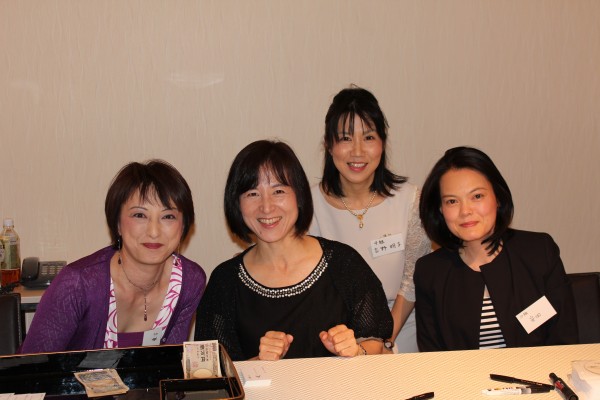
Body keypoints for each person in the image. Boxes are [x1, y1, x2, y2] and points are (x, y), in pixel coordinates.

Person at [195, 140, 392, 361]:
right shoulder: (225, 282)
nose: (266, 207)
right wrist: (258, 363)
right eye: (252, 193)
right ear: (236, 204)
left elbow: (376, 342)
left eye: (278, 191)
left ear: (299, 195)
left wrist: (356, 351)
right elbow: (211, 370)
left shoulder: (344, 263)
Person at [20, 160, 206, 353]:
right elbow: (32, 366)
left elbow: (169, 362)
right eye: (139, 215)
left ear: (184, 225)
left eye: (168, 217)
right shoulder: (77, 284)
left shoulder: (190, 281)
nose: (153, 232)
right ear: (117, 223)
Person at [415, 146, 579, 351]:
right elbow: (432, 356)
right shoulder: (430, 271)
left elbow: (564, 340)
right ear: (440, 209)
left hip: (540, 371)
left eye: (477, 196)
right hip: (462, 373)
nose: (465, 211)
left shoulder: (539, 251)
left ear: (497, 198)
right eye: (452, 201)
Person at [309, 86, 431, 353]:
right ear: (329, 144)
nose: (357, 151)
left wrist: (383, 340)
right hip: (334, 344)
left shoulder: (411, 201)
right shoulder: (307, 207)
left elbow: (412, 281)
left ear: (382, 143)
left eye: (368, 137)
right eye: (345, 138)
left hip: (400, 338)